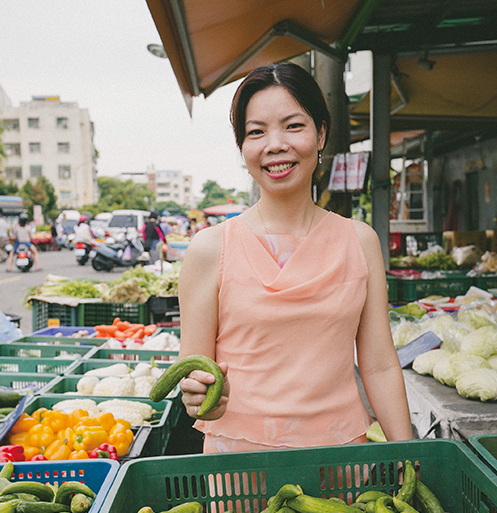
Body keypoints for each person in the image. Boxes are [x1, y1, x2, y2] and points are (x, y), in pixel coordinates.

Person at [177, 62, 413, 454]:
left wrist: (411, 456)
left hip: (340, 459)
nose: (275, 145)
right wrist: (199, 396)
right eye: (256, 132)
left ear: (321, 134)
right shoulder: (210, 248)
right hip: (238, 462)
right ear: (243, 147)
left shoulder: (360, 240)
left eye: (293, 125)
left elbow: (380, 365)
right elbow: (193, 371)